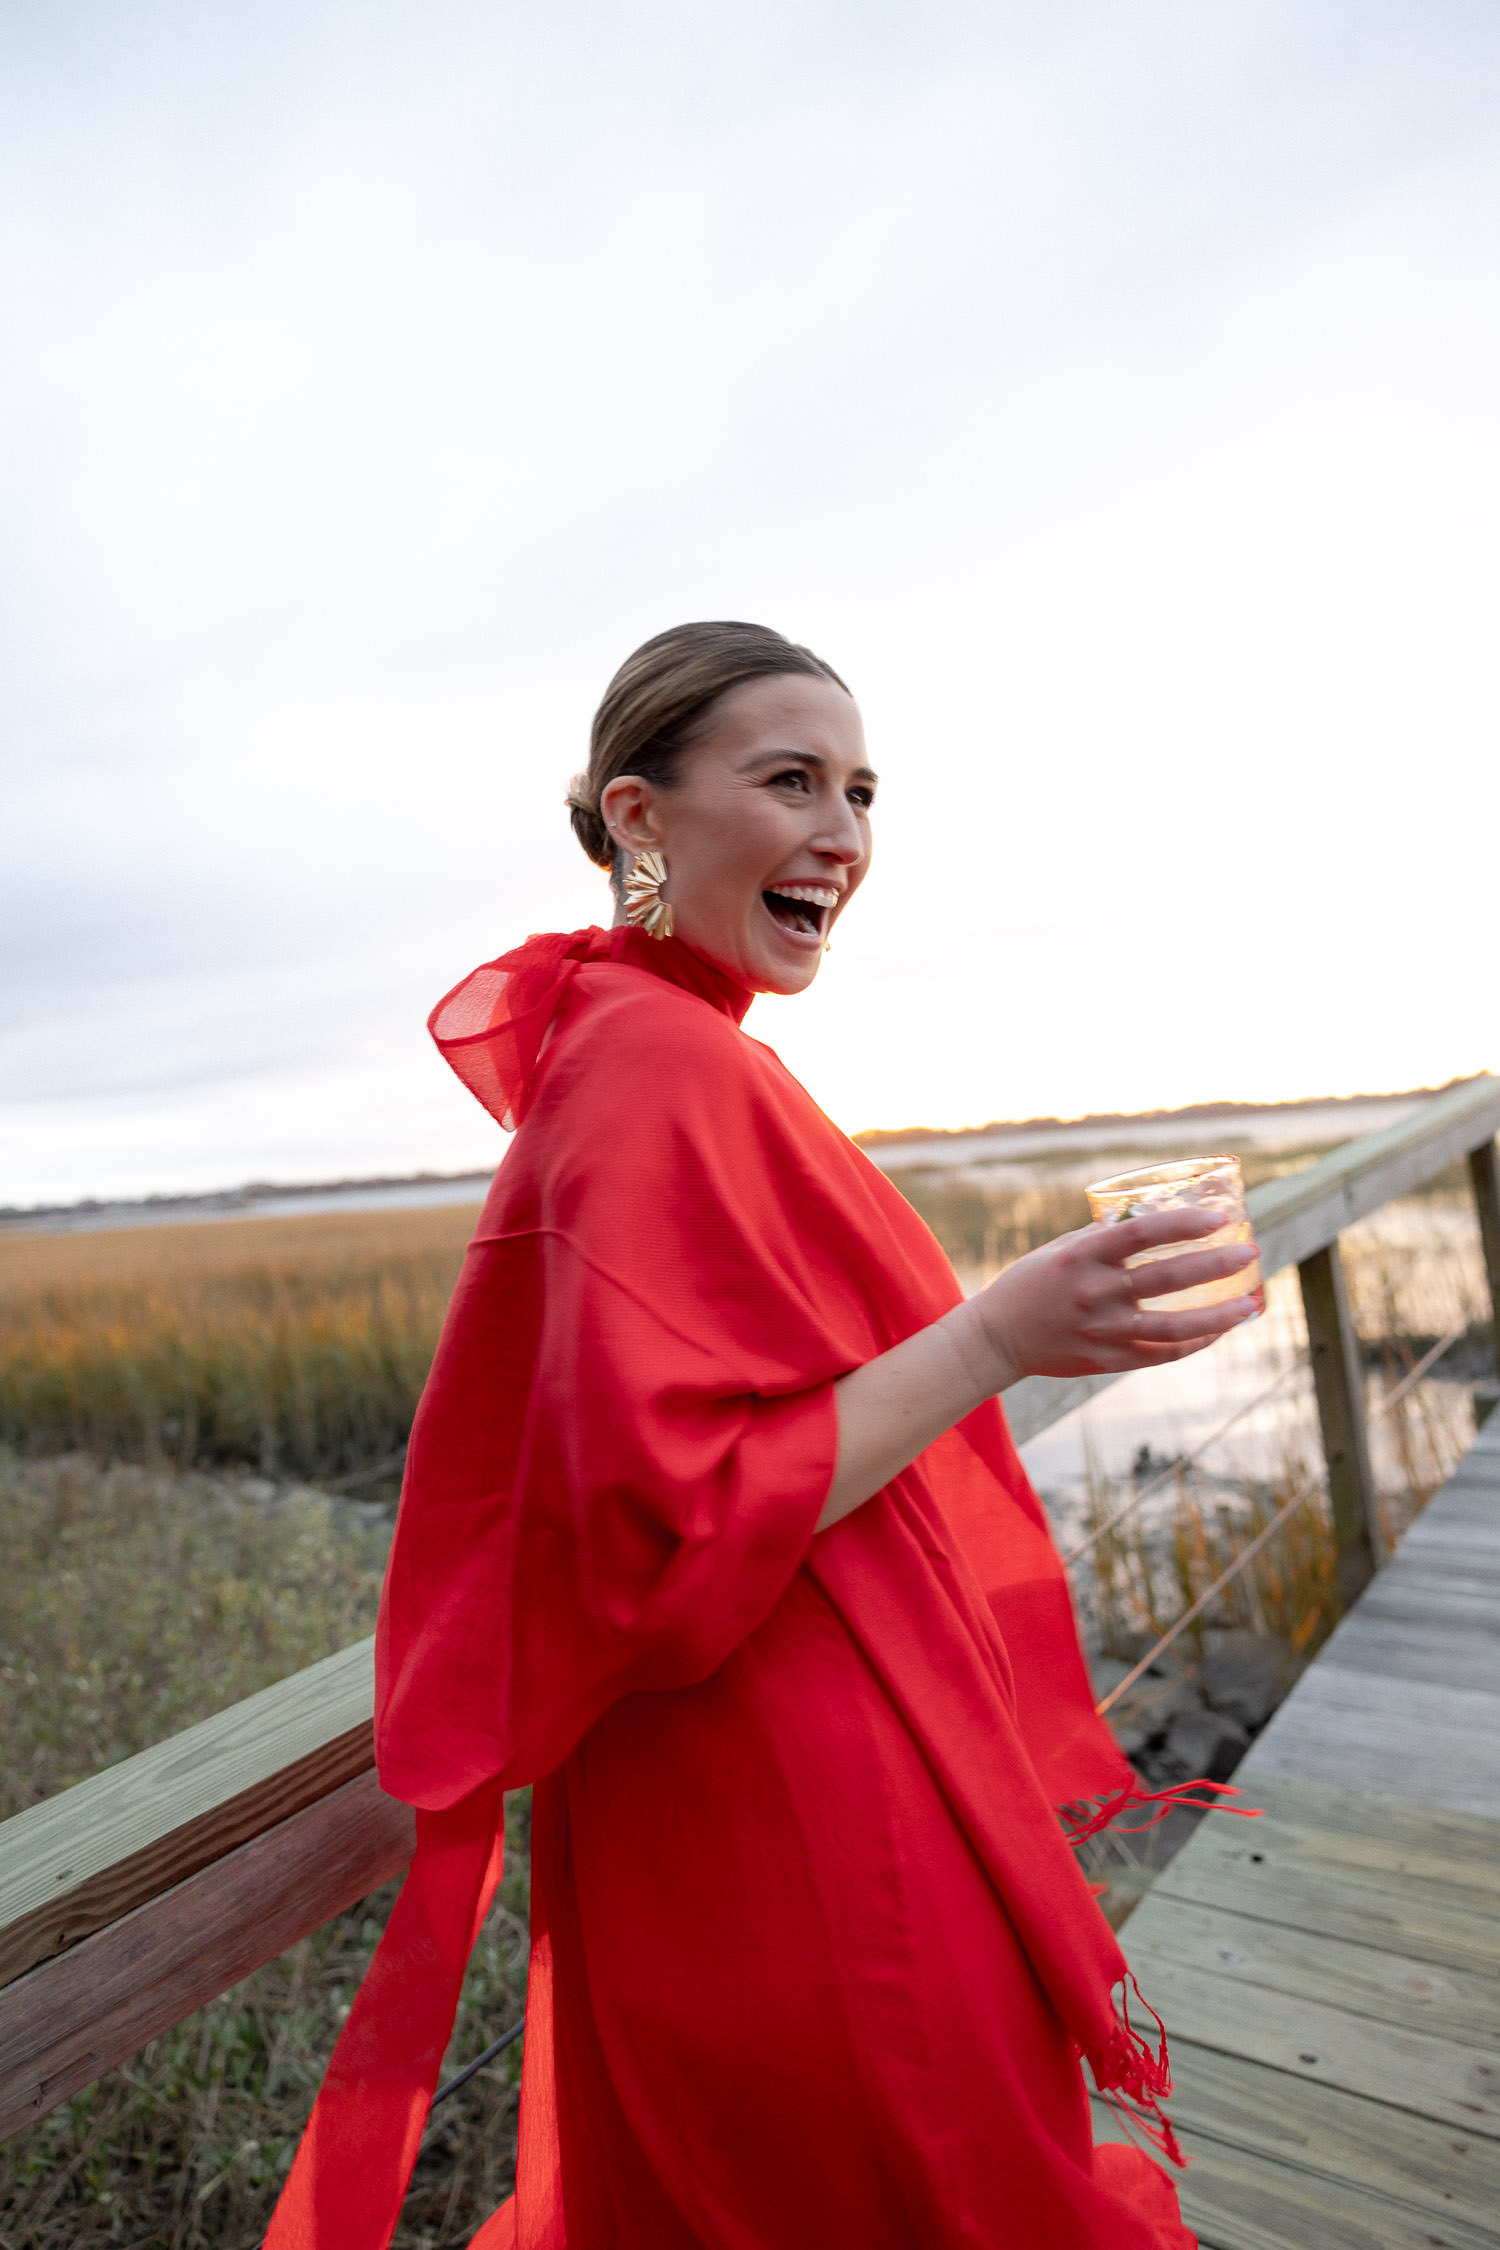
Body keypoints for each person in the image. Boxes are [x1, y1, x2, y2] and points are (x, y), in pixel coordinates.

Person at [266, 622, 1261, 2250]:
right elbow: (671, 1511)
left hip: (723, 1771)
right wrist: (1002, 1333)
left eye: (862, 791)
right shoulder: (652, 1064)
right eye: (790, 781)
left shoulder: (639, 1037)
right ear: (639, 816)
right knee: (895, 2163)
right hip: (784, 1779)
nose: (845, 836)